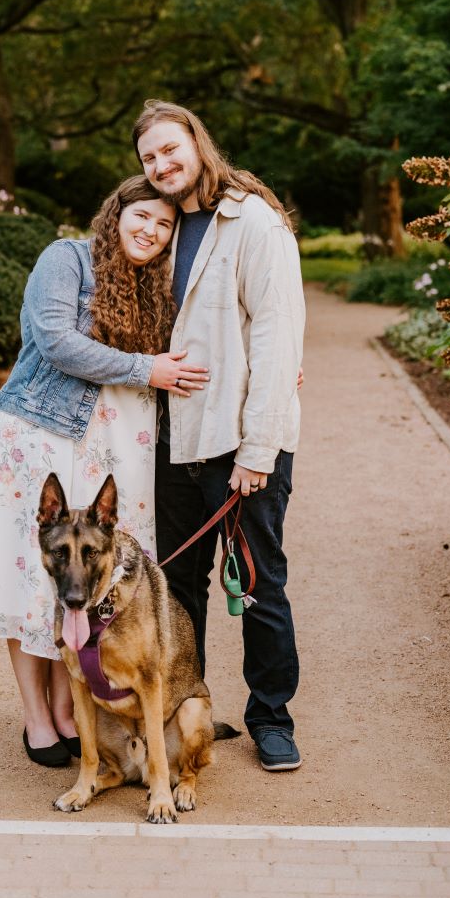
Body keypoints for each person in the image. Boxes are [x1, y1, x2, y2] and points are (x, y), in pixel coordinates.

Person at [0, 176, 209, 767]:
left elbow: (201, 348)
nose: (151, 231)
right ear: (117, 212)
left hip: (119, 444)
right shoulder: (68, 259)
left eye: (164, 225)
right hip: (43, 434)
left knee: (97, 577)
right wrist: (143, 367)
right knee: (35, 578)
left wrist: (275, 373)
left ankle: (69, 709)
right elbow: (56, 341)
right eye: (142, 216)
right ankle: (37, 719)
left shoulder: (156, 287)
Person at [133, 99, 306, 773]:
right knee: (177, 590)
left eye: (170, 150)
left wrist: (258, 452)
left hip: (241, 444)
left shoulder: (253, 222)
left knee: (259, 587)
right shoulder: (163, 225)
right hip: (174, 440)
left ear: (198, 145)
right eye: (148, 158)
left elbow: (276, 336)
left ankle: (272, 717)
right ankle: (187, 710)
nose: (161, 165)